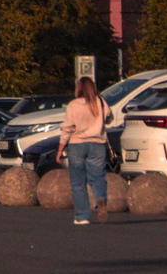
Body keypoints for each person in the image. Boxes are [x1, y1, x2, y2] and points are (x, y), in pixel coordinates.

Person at [62, 76, 108, 225]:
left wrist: (60, 147)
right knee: (98, 177)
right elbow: (109, 117)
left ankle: (82, 217)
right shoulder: (100, 101)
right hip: (97, 144)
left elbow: (67, 128)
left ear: (79, 88)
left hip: (77, 144)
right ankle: (100, 198)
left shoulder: (73, 105)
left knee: (78, 182)